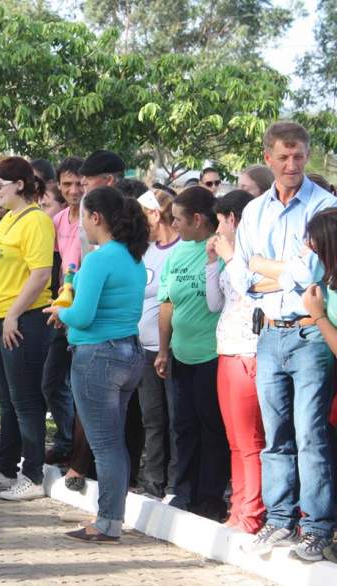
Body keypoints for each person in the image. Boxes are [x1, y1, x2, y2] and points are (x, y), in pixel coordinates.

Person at [230, 121, 336, 561]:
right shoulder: (255, 210)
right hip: (270, 334)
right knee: (276, 435)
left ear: (307, 154)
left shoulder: (326, 205)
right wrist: (274, 272)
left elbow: (308, 273)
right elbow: (239, 272)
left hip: (312, 332)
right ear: (268, 156)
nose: (293, 165)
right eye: (284, 157)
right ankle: (279, 521)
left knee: (311, 435)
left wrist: (263, 267)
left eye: (299, 156)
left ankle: (317, 528)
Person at [44, 187, 149, 543]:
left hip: (98, 357)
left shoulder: (100, 258)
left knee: (105, 445)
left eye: (84, 216)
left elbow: (83, 316)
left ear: (96, 218)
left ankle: (106, 522)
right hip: (128, 353)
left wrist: (61, 311)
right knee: (113, 442)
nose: (81, 227)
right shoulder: (132, 255)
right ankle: (111, 519)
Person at [0, 156, 54, 501]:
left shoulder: (36, 221)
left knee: (26, 400)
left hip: (23, 320)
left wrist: (15, 314)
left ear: (20, 185)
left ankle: (32, 475)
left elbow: (41, 273)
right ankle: (6, 469)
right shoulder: (6, 220)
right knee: (7, 399)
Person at [154, 186, 229, 521]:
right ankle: (182, 491)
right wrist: (163, 350)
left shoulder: (220, 249)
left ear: (198, 219)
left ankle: (210, 497)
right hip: (181, 354)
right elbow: (167, 304)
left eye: (179, 219)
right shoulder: (177, 255)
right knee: (183, 426)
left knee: (211, 427)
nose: (175, 225)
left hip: (213, 354)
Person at [204, 189, 265, 534]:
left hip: (248, 350)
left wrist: (228, 259)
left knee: (249, 440)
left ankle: (252, 513)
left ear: (233, 219)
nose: (218, 228)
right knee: (235, 439)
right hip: (226, 349)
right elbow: (215, 303)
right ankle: (238, 508)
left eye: (221, 220)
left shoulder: (254, 255)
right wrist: (213, 262)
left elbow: (251, 294)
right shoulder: (230, 256)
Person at [135, 188, 180, 499]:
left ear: (154, 214)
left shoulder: (178, 250)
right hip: (144, 348)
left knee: (177, 420)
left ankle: (176, 484)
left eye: (141, 217)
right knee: (151, 419)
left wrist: (165, 348)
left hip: (173, 348)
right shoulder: (145, 250)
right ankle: (153, 481)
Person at [41, 156, 84, 466]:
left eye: (79, 183)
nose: (73, 190)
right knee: (52, 381)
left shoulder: (95, 218)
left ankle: (81, 451)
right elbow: (57, 267)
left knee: (81, 385)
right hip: (60, 308)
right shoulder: (57, 221)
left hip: (85, 312)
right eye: (67, 184)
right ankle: (66, 439)